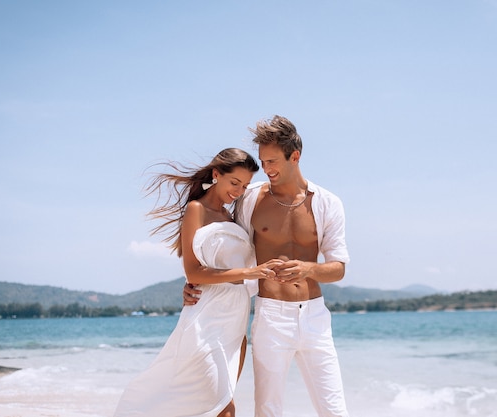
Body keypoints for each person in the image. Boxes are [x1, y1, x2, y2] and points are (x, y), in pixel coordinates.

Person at [184, 116, 350, 417]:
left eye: (273, 161)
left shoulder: (327, 203)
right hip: (271, 317)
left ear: (294, 157)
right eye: (263, 161)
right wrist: (197, 281)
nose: (267, 169)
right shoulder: (251, 199)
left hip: (315, 318)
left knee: (334, 410)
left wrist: (308, 269)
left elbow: (338, 268)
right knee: (268, 410)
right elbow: (223, 245)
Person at [114, 148, 284, 417]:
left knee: (221, 403)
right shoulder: (196, 210)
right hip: (207, 317)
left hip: (237, 319)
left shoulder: (233, 216)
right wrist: (248, 273)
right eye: (234, 183)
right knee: (221, 406)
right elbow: (194, 273)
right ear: (216, 175)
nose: (239, 191)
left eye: (245, 185)